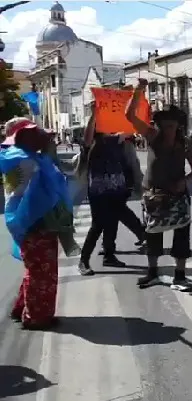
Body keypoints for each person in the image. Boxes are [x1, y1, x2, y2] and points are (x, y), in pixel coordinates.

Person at [125, 78, 192, 292]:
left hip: (178, 196)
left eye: (171, 124)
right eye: (164, 124)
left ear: (178, 125)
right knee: (153, 234)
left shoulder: (184, 144)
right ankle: (152, 274)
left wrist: (184, 181)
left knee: (181, 236)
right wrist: (138, 91)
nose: (167, 128)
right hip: (154, 195)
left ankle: (180, 276)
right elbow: (129, 116)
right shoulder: (152, 136)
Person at [1, 117, 72, 330]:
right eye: (35, 132)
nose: (41, 134)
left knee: (34, 267)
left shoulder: (18, 156)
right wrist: (48, 146)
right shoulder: (27, 160)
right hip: (35, 221)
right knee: (43, 271)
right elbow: (52, 183)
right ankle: (35, 317)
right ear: (23, 137)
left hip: (25, 219)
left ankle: (22, 307)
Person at [77, 104, 131, 276]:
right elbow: (86, 137)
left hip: (117, 188)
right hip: (98, 191)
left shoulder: (117, 139)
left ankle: (109, 255)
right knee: (98, 225)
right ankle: (83, 261)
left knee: (113, 223)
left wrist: (132, 99)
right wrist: (94, 114)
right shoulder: (92, 143)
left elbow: (132, 127)